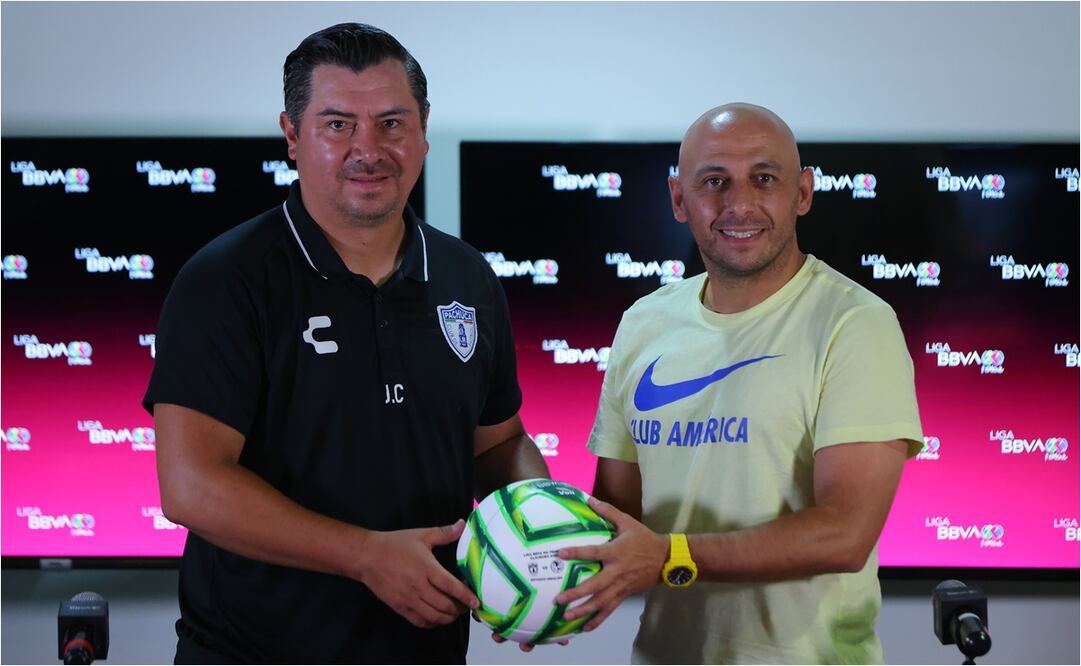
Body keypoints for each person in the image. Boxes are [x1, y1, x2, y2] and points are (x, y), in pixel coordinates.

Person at [144, 23, 549, 664]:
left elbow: (498, 444)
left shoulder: (467, 275)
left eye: (391, 122)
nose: (369, 149)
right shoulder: (225, 279)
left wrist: (535, 541)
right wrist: (366, 557)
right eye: (338, 125)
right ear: (292, 135)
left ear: (422, 130)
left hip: (428, 650)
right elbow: (191, 485)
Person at [554, 103, 924, 664]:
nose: (740, 203)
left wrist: (670, 554)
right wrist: (533, 585)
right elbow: (617, 513)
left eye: (764, 179)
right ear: (679, 199)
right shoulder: (643, 321)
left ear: (802, 193)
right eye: (714, 182)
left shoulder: (855, 323)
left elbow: (846, 533)